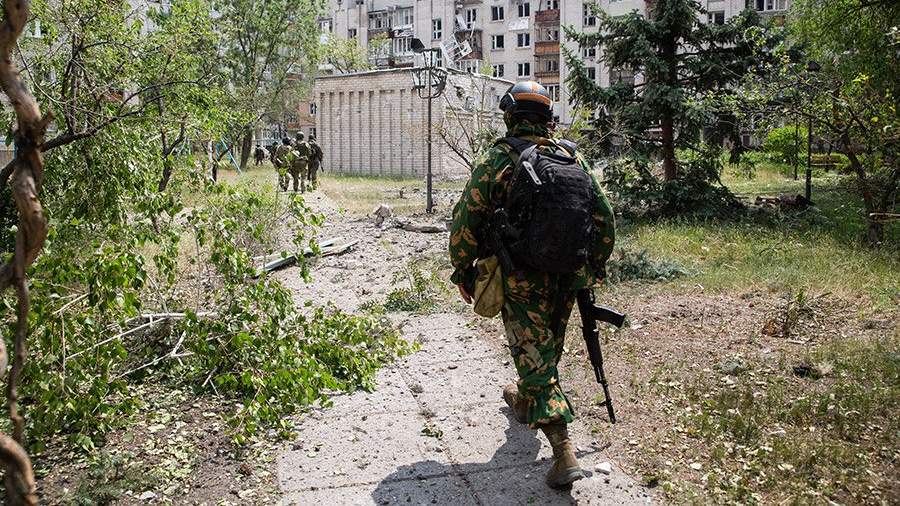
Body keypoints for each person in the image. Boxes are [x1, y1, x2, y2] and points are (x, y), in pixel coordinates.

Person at [448, 81, 616, 490]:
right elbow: (605, 219)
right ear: (547, 120)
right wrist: (591, 267)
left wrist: (462, 270)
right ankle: (525, 401)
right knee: (544, 350)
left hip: (522, 276)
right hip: (567, 276)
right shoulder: (572, 157)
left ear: (510, 116)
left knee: (535, 357)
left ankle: (563, 451)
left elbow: (466, 218)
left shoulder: (498, 159)